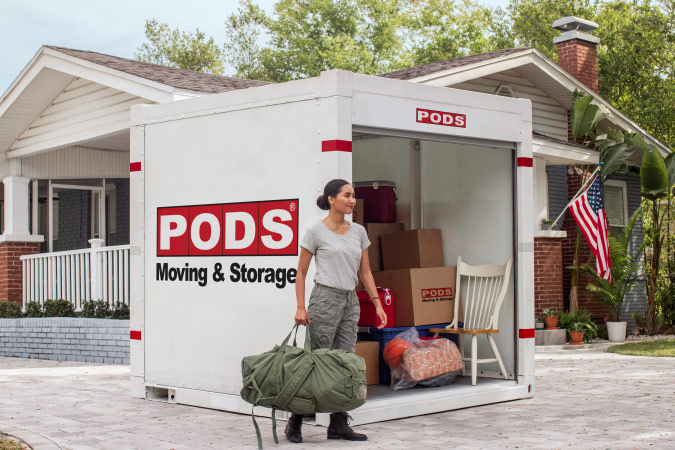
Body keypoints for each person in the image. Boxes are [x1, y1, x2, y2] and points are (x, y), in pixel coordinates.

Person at [285, 178, 387, 444]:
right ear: (331, 199)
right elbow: (301, 272)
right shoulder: (315, 232)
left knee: (344, 362)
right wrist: (300, 306)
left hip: (350, 301)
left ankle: (338, 423)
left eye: (353, 196)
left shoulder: (358, 232)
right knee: (314, 360)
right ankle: (295, 420)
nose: (352, 200)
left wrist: (377, 303)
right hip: (325, 299)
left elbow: (365, 271)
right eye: (347, 195)